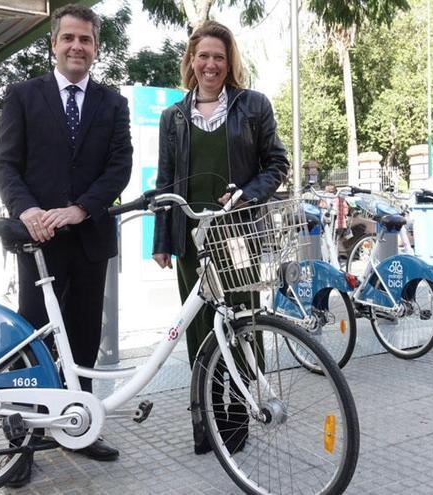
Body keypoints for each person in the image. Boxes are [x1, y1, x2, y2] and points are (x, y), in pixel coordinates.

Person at [0, 4, 133, 486]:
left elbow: (119, 167)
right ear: (54, 44)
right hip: (39, 243)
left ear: (96, 48)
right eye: (68, 38)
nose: (77, 46)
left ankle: (81, 427)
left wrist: (82, 208)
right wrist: (27, 210)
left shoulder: (113, 102)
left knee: (85, 341)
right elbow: (4, 166)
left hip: (89, 238)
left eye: (86, 40)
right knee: (33, 342)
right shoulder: (22, 96)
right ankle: (24, 441)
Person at [151, 20, 289, 455]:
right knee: (196, 328)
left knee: (242, 322)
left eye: (219, 56)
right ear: (191, 61)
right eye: (203, 56)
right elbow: (165, 180)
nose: (211, 64)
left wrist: (247, 194)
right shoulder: (172, 117)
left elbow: (276, 164)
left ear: (230, 63)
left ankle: (239, 412)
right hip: (192, 236)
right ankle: (207, 417)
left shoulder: (253, 107)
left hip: (237, 235)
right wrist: (161, 240)